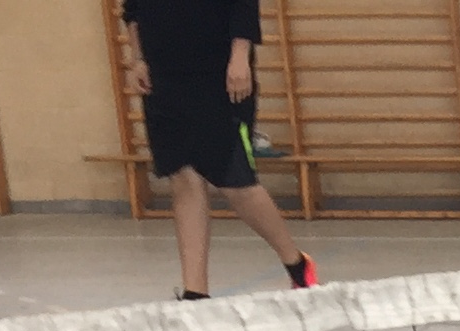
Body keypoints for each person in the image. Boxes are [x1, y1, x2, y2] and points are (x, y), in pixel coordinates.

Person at [118, 0, 320, 302]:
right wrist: (138, 58)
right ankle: (195, 293)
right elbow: (133, 9)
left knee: (236, 181)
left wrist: (240, 56)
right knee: (183, 176)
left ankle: (296, 264)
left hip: (218, 72)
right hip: (163, 76)